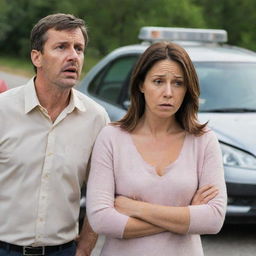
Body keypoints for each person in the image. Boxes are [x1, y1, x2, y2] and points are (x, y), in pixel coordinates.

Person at [86, 41, 227, 255]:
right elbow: (101, 220)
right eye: (158, 81)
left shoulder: (204, 140)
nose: (168, 92)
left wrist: (136, 208)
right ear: (141, 84)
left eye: (178, 83)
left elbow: (214, 219)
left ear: (188, 89)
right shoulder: (111, 137)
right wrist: (186, 216)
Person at [0, 13, 109, 256]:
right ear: (36, 57)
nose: (73, 56)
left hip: (64, 251)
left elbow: (102, 192)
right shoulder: (2, 110)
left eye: (79, 49)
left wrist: (86, 246)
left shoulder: (96, 118)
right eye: (61, 47)